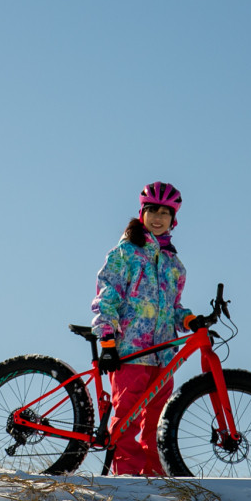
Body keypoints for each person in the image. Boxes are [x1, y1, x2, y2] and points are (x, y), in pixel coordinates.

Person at [90, 182, 198, 476]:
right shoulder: (126, 253)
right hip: (130, 351)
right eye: (152, 210)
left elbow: (174, 308)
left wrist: (189, 321)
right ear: (142, 213)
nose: (158, 217)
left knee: (158, 421)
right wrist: (108, 341)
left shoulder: (175, 265)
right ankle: (126, 478)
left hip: (163, 355)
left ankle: (155, 477)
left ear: (173, 219)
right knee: (127, 417)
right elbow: (107, 296)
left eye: (165, 212)